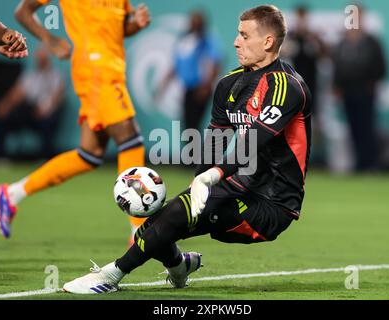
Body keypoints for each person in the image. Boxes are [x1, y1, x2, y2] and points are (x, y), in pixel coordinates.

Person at [61, 5, 312, 294]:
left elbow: (253, 140)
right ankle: (180, 267)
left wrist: (213, 177)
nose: (236, 41)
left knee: (173, 218)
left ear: (268, 42)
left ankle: (110, 276)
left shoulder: (287, 87)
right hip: (235, 186)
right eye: (237, 34)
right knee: (154, 225)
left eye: (244, 35)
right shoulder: (229, 84)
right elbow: (215, 139)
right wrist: (199, 179)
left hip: (271, 205)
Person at [0, 0, 151, 240]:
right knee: (131, 141)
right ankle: (139, 229)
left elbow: (120, 28)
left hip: (112, 70)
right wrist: (49, 38)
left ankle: (12, 193)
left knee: (90, 154)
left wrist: (136, 25)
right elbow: (23, 11)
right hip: (95, 71)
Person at [332, 4, 387, 172]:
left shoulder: (371, 42)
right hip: (347, 92)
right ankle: (357, 163)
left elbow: (381, 66)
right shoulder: (342, 43)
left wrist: (372, 83)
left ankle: (370, 164)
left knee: (366, 128)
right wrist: (337, 86)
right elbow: (337, 67)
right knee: (353, 128)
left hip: (365, 91)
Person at [157, 10, 222, 135]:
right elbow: (176, 66)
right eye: (193, 22)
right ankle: (192, 153)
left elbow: (216, 61)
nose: (194, 25)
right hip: (188, 89)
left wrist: (207, 85)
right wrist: (163, 85)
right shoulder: (184, 41)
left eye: (198, 22)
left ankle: (195, 154)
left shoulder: (207, 40)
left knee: (193, 126)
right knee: (188, 126)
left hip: (200, 88)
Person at [0, 46, 65, 159]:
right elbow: (17, 94)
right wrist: (5, 105)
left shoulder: (56, 76)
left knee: (48, 121)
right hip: (28, 111)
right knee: (3, 117)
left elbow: (57, 98)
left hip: (46, 112)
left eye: (43, 58)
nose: (41, 61)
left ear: (48, 59)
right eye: (39, 58)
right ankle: (0, 156)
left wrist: (45, 110)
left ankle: (45, 157)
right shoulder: (30, 76)